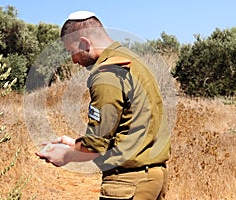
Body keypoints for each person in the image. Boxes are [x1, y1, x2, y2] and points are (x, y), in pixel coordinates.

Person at [35, 10, 171, 200]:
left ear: (84, 43)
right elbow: (127, 127)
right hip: (153, 178)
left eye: (72, 52)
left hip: (127, 183)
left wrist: (65, 156)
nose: (74, 60)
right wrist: (74, 144)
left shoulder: (107, 74)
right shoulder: (132, 61)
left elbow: (96, 144)